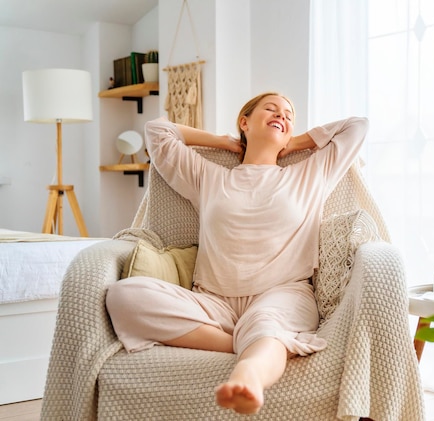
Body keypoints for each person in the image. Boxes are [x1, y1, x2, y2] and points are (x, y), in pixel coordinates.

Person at [105, 92, 368, 415]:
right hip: (214, 302)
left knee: (266, 326)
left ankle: (248, 378)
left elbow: (357, 126)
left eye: (288, 115)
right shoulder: (208, 177)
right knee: (123, 295)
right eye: (271, 109)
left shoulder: (311, 174)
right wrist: (223, 142)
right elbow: (158, 132)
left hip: (282, 294)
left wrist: (291, 141)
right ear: (244, 122)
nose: (282, 116)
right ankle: (244, 341)